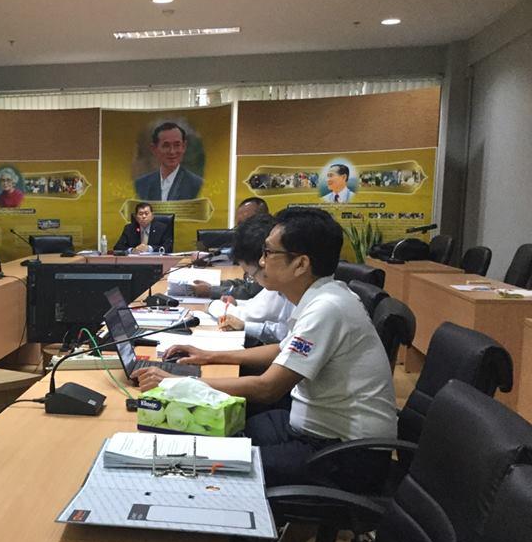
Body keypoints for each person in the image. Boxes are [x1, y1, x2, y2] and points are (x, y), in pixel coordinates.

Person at [133, 208, 397, 491]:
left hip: (345, 455)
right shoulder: (323, 296)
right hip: (317, 430)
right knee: (220, 431)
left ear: (300, 264)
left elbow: (268, 388)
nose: (261, 261)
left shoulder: (327, 308)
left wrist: (177, 383)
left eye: (269, 253)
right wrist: (208, 356)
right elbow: (279, 350)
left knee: (211, 465)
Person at [211, 213, 293, 345]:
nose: (263, 261)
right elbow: (282, 334)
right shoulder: (286, 289)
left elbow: (283, 346)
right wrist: (238, 307)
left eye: (269, 253)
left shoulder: (317, 302)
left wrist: (212, 304)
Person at [182, 197, 271, 299]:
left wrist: (211, 291)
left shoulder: (268, 248)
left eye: (247, 223)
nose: (242, 229)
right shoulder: (249, 246)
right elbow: (247, 283)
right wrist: (216, 284)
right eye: (239, 225)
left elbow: (250, 292)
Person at [134, 122, 203, 201]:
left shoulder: (197, 185)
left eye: (177, 145)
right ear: (154, 149)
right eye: (166, 145)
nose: (172, 151)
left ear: (184, 147)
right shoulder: (141, 185)